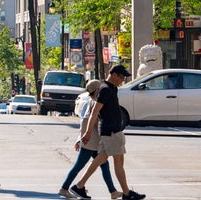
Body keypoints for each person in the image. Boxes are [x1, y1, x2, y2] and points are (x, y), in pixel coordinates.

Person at [71, 65, 146, 200]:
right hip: (110, 131)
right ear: (114, 75)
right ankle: (127, 193)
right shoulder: (105, 90)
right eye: (122, 77)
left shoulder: (112, 88)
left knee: (102, 160)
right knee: (118, 162)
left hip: (113, 131)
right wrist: (87, 132)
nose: (123, 80)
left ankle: (79, 186)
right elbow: (94, 112)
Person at [59, 80, 120, 199]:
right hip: (91, 141)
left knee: (104, 164)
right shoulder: (96, 103)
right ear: (97, 90)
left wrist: (79, 138)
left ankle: (112, 191)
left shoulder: (88, 102)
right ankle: (64, 188)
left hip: (89, 140)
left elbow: (82, 122)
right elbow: (95, 123)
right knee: (79, 165)